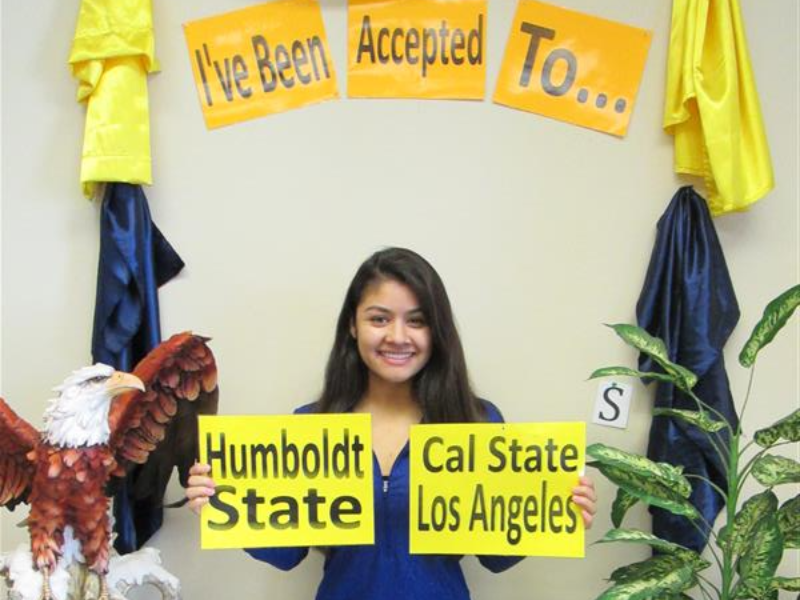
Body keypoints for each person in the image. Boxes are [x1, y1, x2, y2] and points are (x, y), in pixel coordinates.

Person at [186, 247, 596, 599]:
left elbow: (497, 557)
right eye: (379, 319)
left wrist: (559, 508)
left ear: (436, 331)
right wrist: (222, 502)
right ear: (353, 324)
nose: (398, 336)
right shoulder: (311, 426)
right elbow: (285, 553)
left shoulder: (477, 423)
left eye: (417, 320)